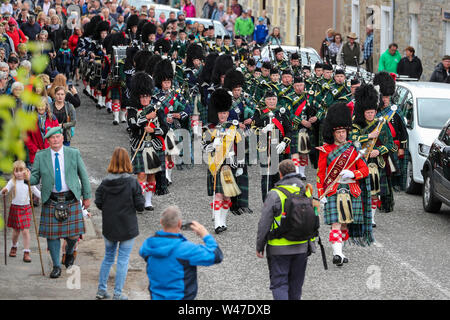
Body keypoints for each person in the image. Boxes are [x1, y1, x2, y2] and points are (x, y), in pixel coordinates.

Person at [27, 126, 91, 279]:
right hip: (51, 199)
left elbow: (83, 175)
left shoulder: (73, 153)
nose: (55, 140)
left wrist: (87, 196)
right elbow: (35, 178)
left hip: (71, 198)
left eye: (57, 137)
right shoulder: (41, 156)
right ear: (48, 141)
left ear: (62, 138)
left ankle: (69, 253)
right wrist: (27, 177)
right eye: (52, 138)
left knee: (74, 234)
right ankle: (56, 266)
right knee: (53, 236)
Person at [256, 159, 316, 300]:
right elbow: (313, 218)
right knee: (296, 287)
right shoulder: (306, 191)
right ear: (295, 172)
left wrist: (260, 245)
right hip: (301, 247)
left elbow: (264, 222)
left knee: (279, 284)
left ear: (280, 174)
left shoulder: (275, 194)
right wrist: (311, 244)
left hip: (278, 248)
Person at [139, 205, 223, 300]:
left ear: (161, 222)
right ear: (179, 224)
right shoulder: (186, 249)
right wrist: (205, 235)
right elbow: (216, 256)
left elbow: (143, 252)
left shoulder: (148, 244)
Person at [94, 147, 145, 300]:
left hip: (109, 226)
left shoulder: (104, 183)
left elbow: (98, 202)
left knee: (108, 257)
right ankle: (118, 293)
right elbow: (140, 206)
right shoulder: (132, 182)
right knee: (123, 260)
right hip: (127, 226)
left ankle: (101, 290)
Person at [1, 160, 41, 263]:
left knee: (25, 231)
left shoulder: (28, 182)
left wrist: (45, 197)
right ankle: (14, 246)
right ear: (13, 172)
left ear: (25, 171)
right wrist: (3, 191)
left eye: (21, 170)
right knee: (16, 231)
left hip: (26, 208)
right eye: (16, 171)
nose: (18, 173)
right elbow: (5, 189)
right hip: (15, 208)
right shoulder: (12, 181)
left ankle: (26, 251)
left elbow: (36, 191)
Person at [25, 97, 60, 166]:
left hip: (50, 152)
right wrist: (35, 149)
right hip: (36, 154)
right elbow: (26, 137)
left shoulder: (52, 118)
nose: (41, 108)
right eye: (39, 105)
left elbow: (58, 134)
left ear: (46, 106)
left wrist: (52, 147)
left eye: (43, 105)